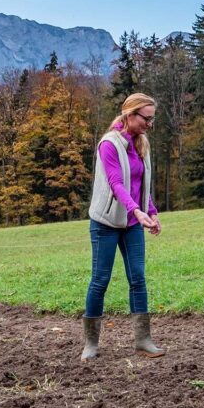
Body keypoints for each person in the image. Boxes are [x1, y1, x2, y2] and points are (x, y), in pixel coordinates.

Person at [81, 93, 164, 361]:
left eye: (152, 119)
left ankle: (143, 339)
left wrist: (150, 211)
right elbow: (117, 184)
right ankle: (91, 343)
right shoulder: (109, 144)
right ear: (129, 114)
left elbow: (142, 183)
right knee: (100, 280)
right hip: (106, 223)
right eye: (146, 119)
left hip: (132, 223)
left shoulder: (142, 143)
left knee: (138, 278)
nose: (150, 124)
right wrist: (136, 211)